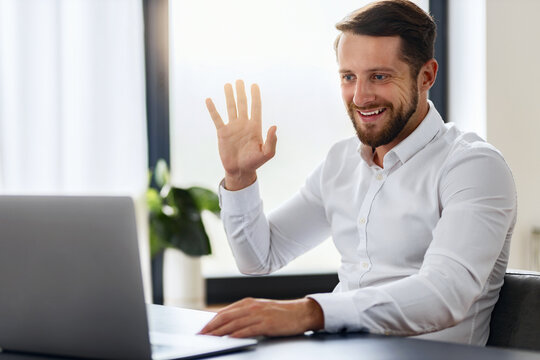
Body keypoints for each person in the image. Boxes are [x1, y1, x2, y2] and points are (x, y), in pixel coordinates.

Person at [200, 0, 517, 345]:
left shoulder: (473, 166)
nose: (360, 97)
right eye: (348, 77)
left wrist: (310, 312)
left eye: (379, 76)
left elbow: (445, 293)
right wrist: (239, 178)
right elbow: (260, 257)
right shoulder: (340, 163)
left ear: (426, 76)